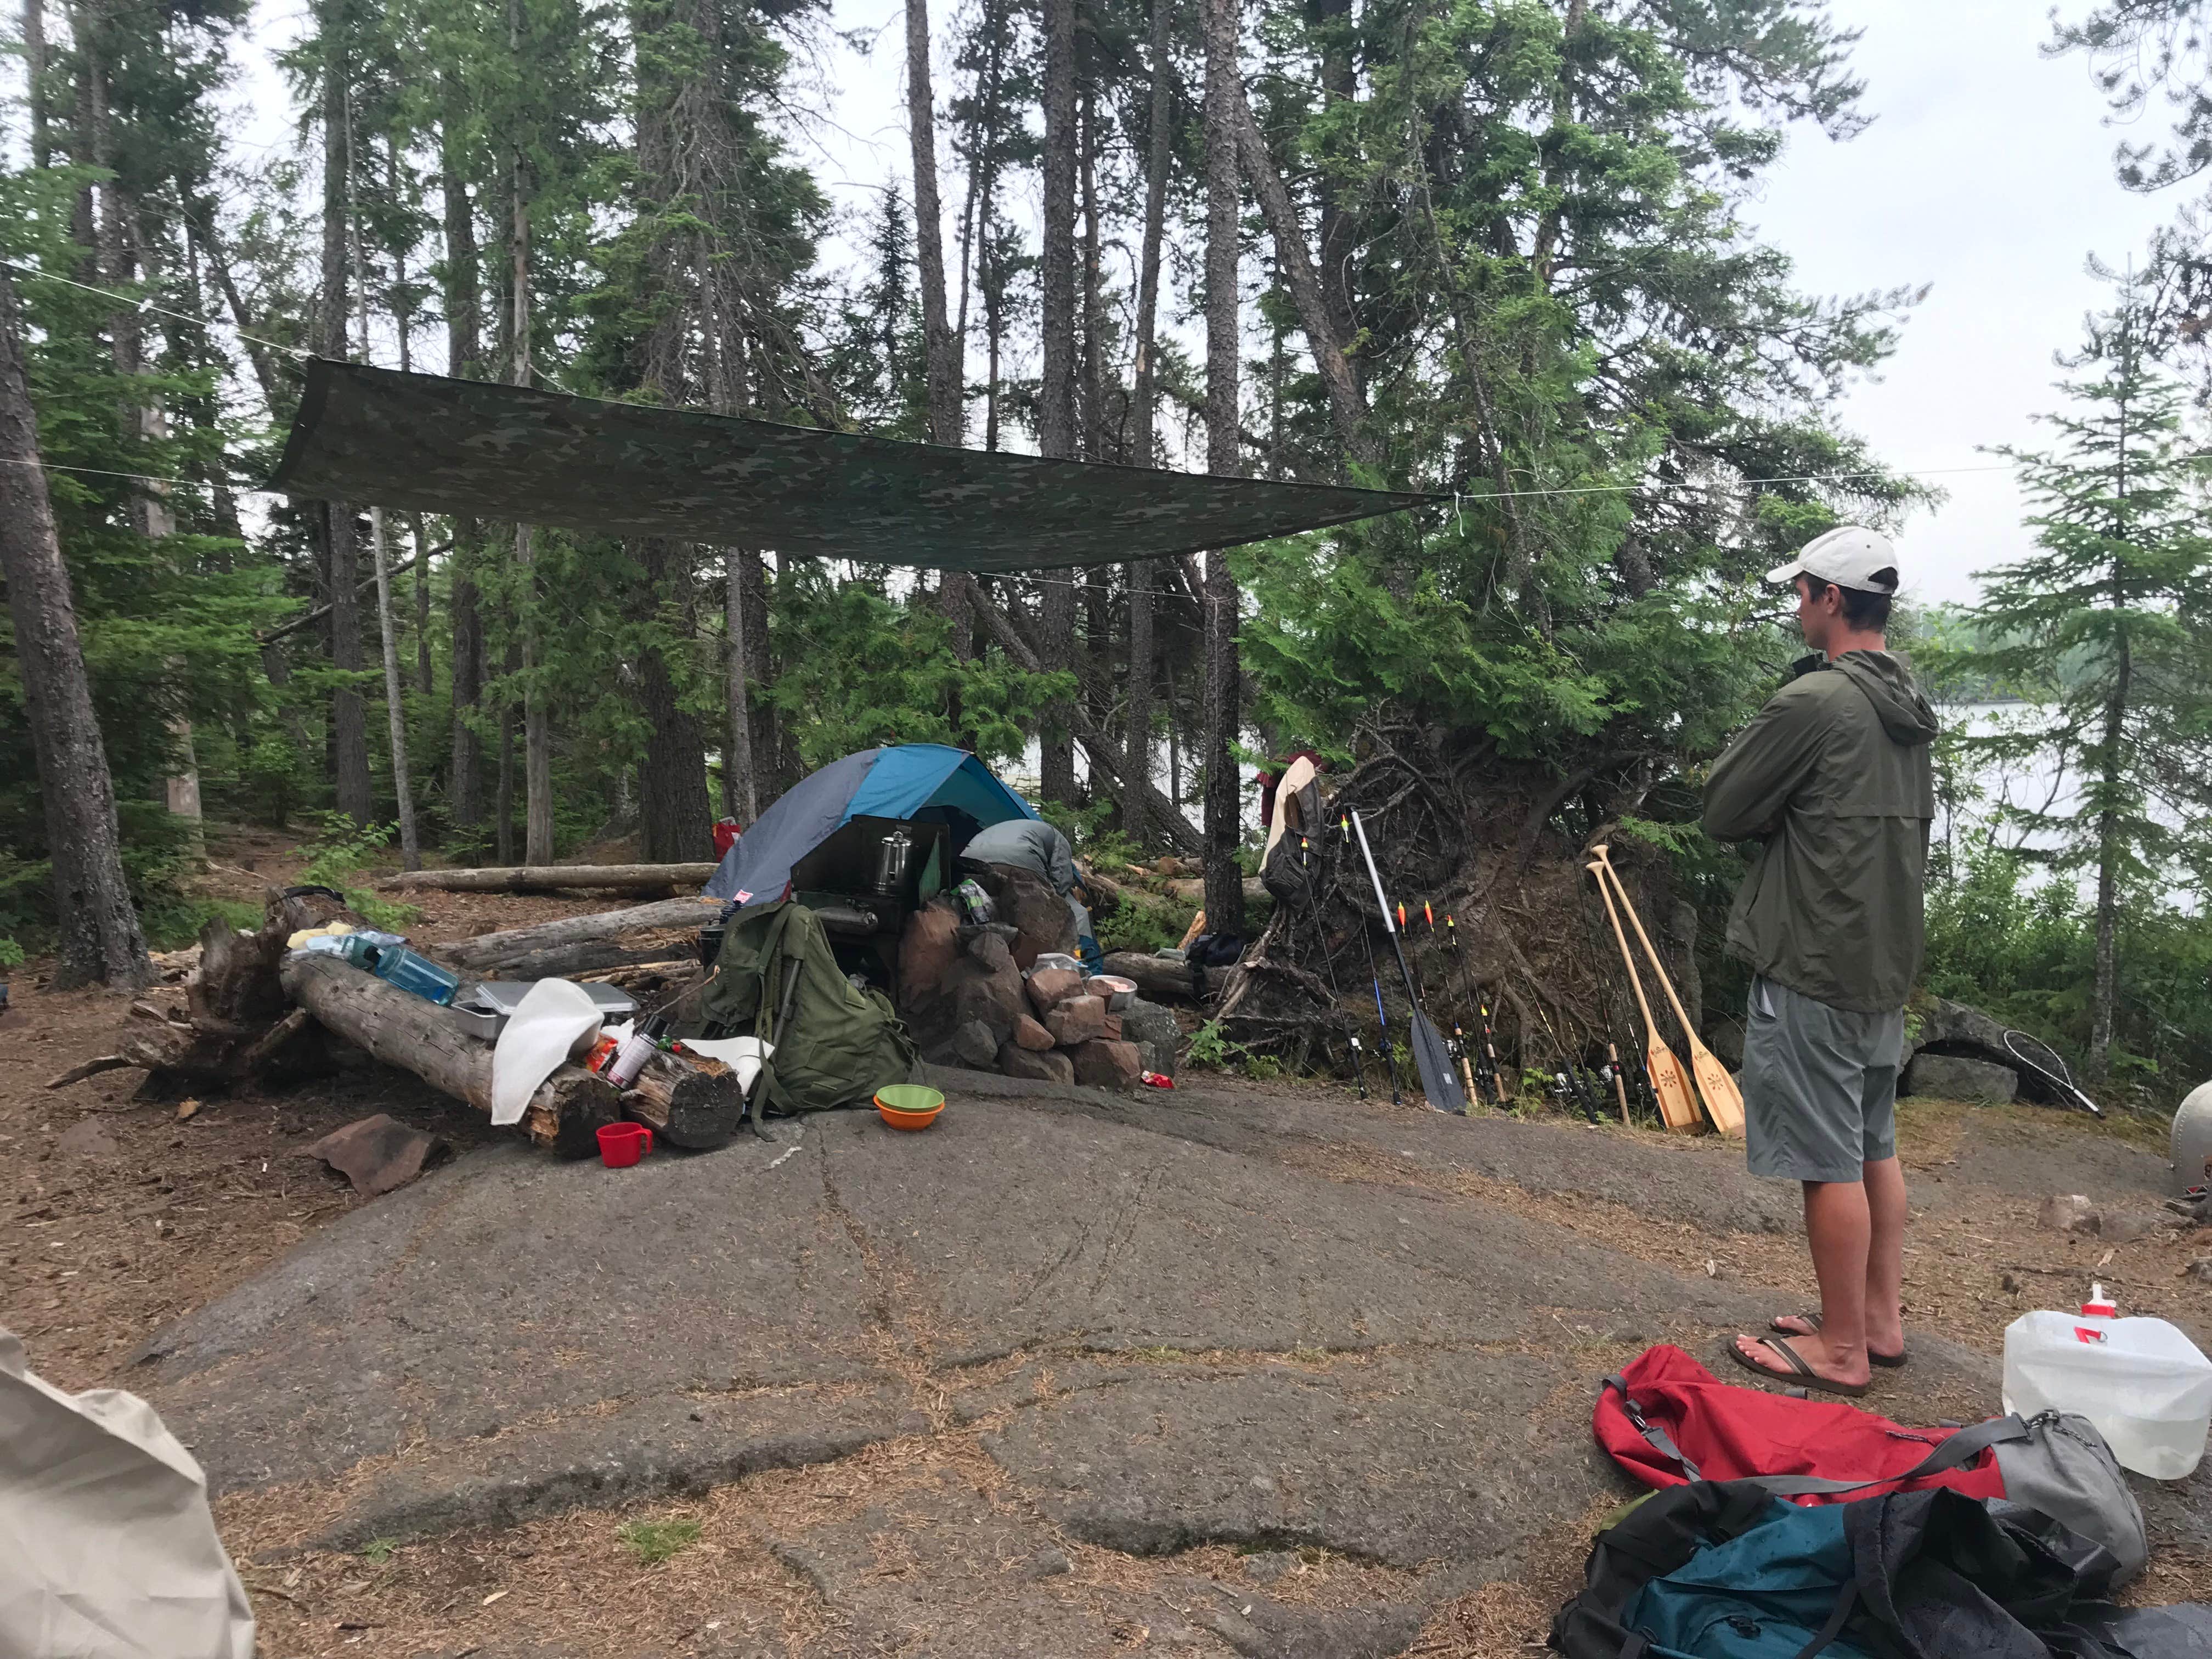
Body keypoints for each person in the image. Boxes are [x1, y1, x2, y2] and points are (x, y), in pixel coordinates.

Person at [1701, 525, 1938, 1397]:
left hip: (1813, 955)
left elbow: (1724, 809)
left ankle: (1840, 1351)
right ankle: (1877, 1321)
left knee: (1827, 1158)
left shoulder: (1817, 702)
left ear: (1831, 599)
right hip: (1882, 961)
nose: (1797, 607)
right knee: (1874, 1142)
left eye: (1801, 592)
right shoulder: (1906, 706)